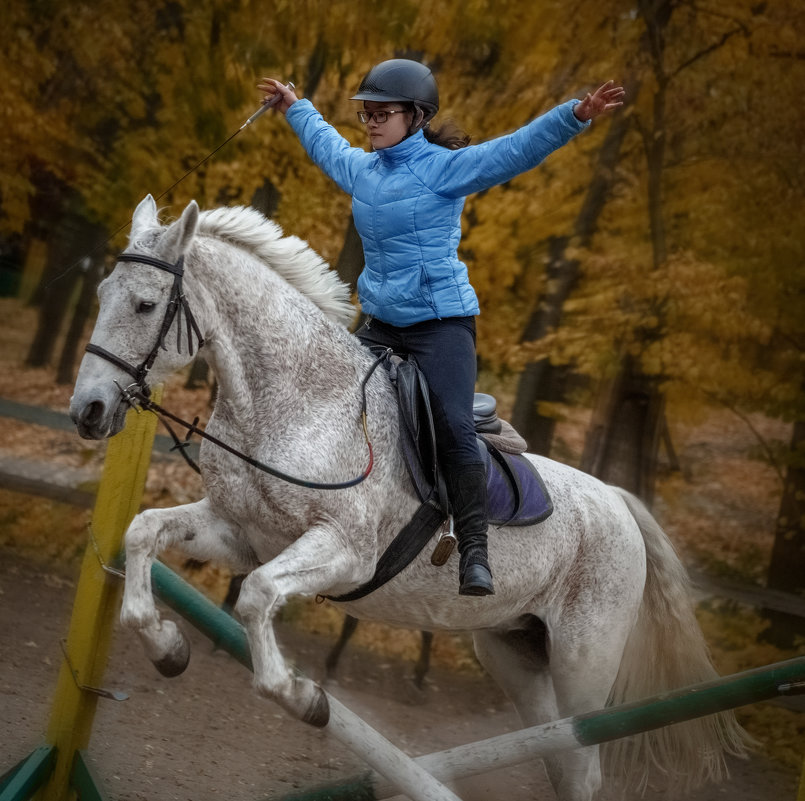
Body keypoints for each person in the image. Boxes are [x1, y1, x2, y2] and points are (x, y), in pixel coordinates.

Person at [258, 59, 624, 597]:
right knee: (334, 401)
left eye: (383, 113)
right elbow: (327, 145)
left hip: (440, 327)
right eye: (367, 113)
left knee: (454, 425)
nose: (371, 122)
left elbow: (516, 149)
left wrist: (575, 116)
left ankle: (474, 548)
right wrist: (297, 108)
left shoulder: (444, 169)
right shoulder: (363, 170)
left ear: (417, 115)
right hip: (381, 324)